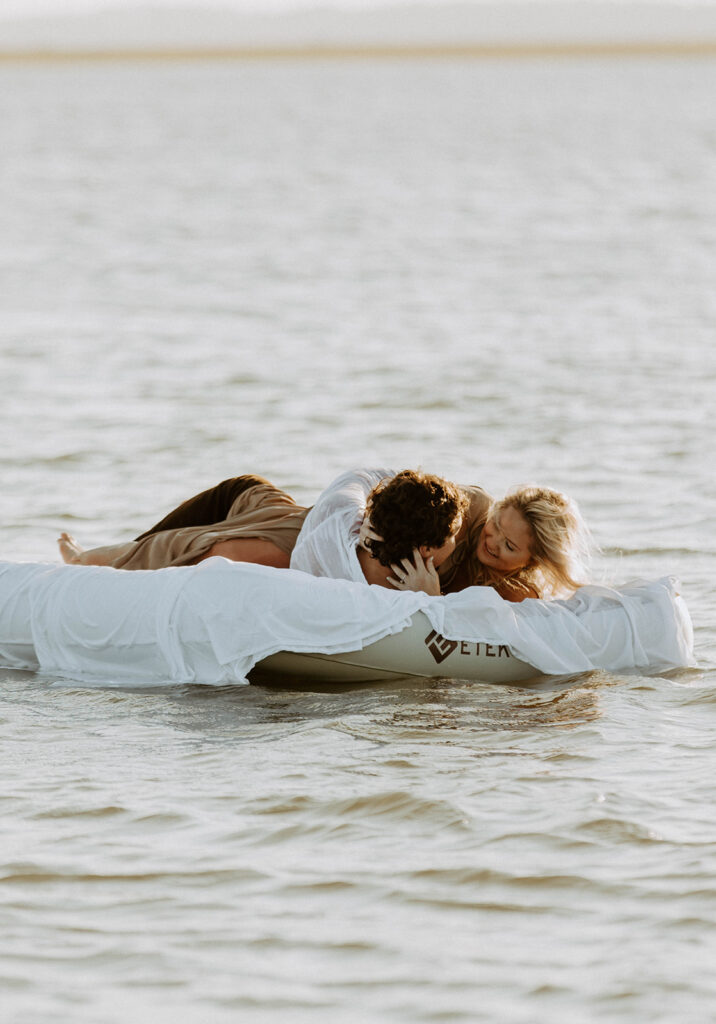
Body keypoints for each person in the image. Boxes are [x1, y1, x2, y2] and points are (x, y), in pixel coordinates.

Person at [59, 467, 590, 602]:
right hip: (335, 533)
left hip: (338, 549)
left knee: (227, 533)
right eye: (497, 526)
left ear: (532, 558)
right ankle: (96, 562)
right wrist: (358, 518)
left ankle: (107, 559)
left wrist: (432, 600)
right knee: (229, 519)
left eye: (509, 546)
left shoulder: (507, 590)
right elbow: (403, 495)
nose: (491, 541)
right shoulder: (466, 509)